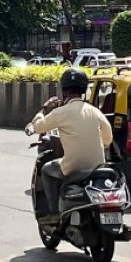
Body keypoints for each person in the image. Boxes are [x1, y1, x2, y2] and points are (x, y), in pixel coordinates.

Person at [29, 69, 113, 225]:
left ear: (64, 90)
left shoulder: (60, 112)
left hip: (73, 167)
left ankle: (54, 212)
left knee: (46, 170)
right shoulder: (95, 112)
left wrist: (45, 109)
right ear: (83, 90)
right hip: (97, 166)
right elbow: (108, 137)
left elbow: (39, 127)